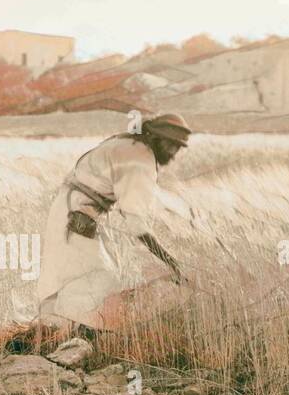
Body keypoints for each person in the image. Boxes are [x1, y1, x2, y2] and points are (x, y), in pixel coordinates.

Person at [35, 112, 193, 331]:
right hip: (77, 214)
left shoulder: (127, 142)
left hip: (69, 208)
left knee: (64, 276)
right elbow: (135, 221)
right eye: (171, 146)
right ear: (157, 139)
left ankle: (49, 333)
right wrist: (171, 262)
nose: (174, 154)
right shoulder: (140, 160)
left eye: (178, 147)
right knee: (98, 277)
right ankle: (70, 334)